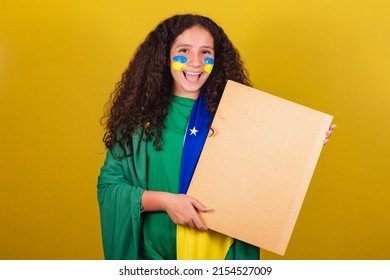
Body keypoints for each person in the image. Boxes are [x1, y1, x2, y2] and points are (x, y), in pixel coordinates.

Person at [97, 14, 336, 260]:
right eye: (184, 51)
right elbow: (109, 188)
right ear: (164, 56)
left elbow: (264, 176)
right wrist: (166, 202)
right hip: (153, 256)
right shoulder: (138, 121)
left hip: (221, 255)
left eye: (205, 53)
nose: (196, 63)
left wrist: (305, 141)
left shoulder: (238, 115)